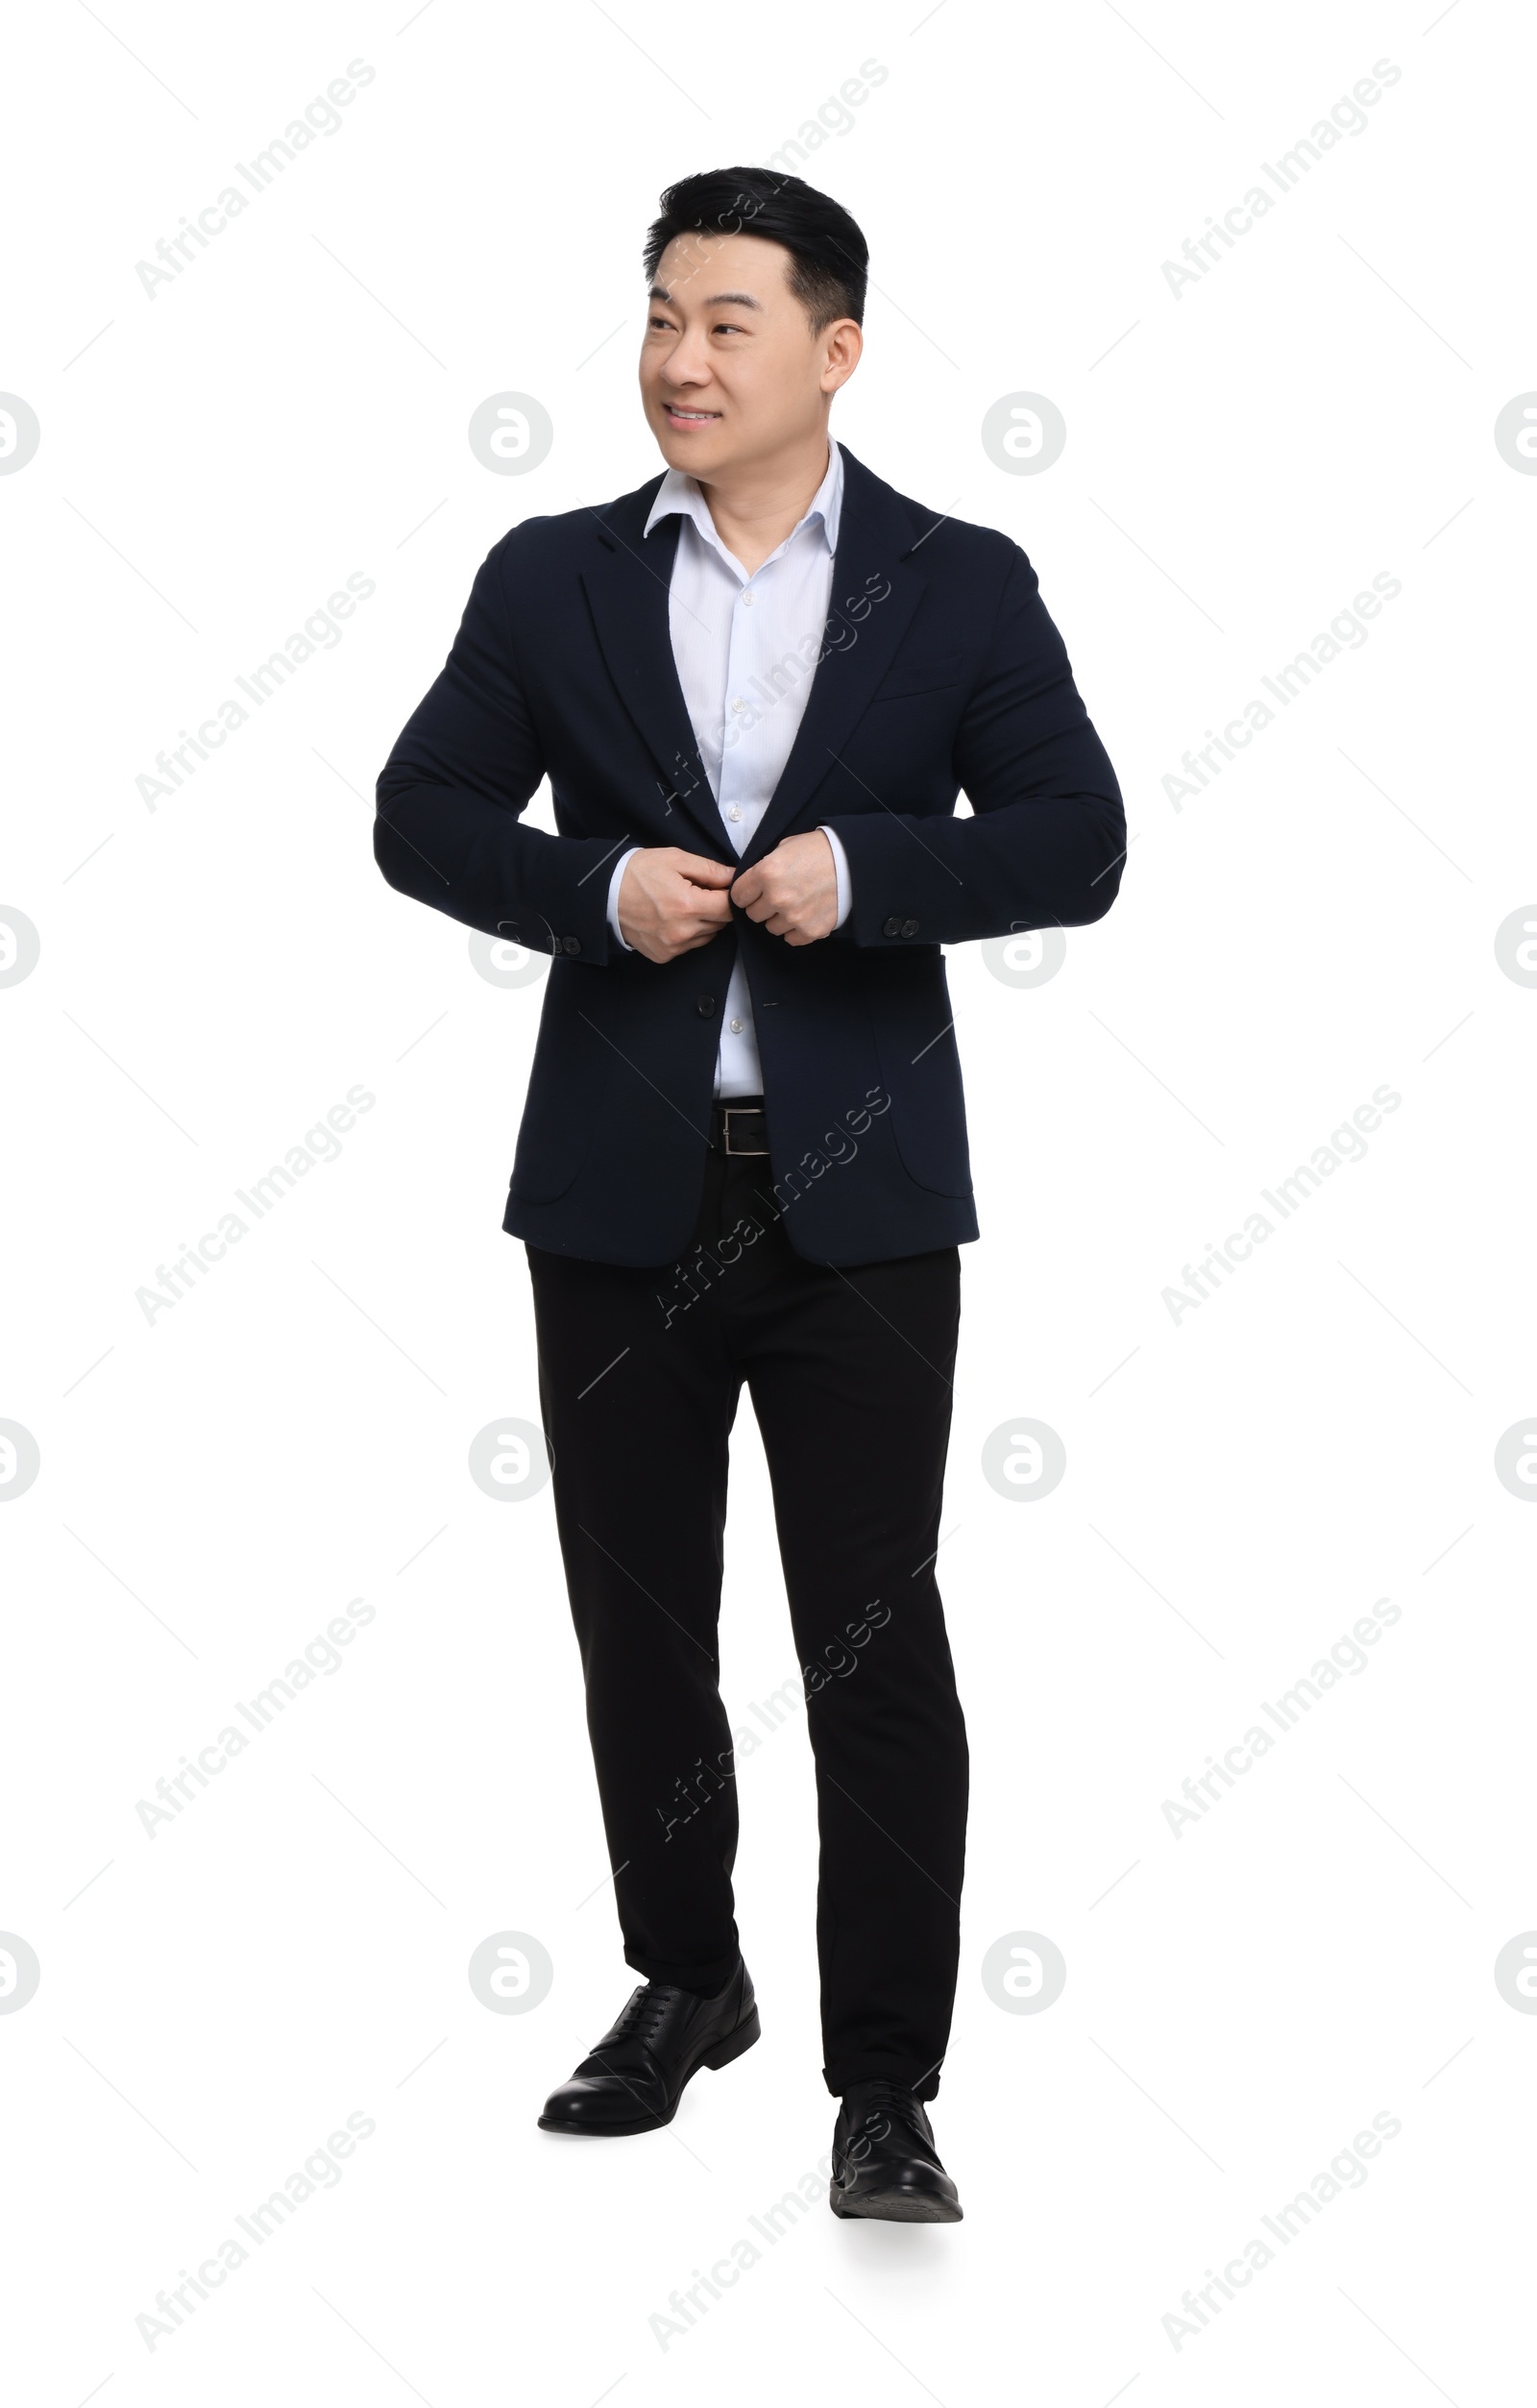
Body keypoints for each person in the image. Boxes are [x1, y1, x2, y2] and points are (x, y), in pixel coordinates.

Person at [374, 165, 1125, 2222]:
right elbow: (418, 811)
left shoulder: (956, 583)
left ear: (834, 349)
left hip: (859, 1210)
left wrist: (873, 869)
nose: (675, 361)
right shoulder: (553, 578)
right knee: (638, 1627)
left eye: (722, 323)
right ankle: (685, 1980)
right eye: (656, 318)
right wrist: (591, 893)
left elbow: (1075, 837)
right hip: (615, 1194)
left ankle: (883, 2081)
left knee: (868, 1641)